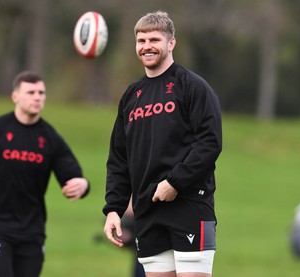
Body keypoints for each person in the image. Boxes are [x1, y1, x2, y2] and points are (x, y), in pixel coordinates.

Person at [103, 11, 222, 277]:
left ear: (171, 43)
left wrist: (175, 182)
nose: (147, 46)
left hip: (189, 206)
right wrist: (114, 209)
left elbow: (210, 143)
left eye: (154, 39)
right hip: (148, 212)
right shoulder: (132, 96)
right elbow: (119, 159)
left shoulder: (192, 86)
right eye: (141, 40)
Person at [0, 71, 90, 277]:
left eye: (41, 92)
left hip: (32, 232)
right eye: (31, 92)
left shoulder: (50, 138)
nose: (37, 97)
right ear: (15, 96)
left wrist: (82, 184)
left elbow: (74, 177)